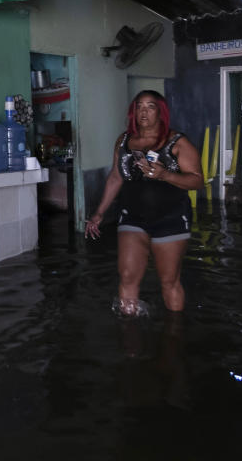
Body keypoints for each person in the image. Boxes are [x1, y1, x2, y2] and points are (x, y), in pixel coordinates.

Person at [85, 90, 203, 315]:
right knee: (127, 276)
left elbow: (197, 181)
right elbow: (115, 177)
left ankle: (174, 336)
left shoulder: (177, 142)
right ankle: (130, 336)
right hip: (132, 217)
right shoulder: (124, 141)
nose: (143, 112)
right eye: (139, 106)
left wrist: (164, 175)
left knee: (169, 281)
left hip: (171, 218)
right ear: (133, 111)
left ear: (161, 112)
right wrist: (99, 212)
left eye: (150, 107)